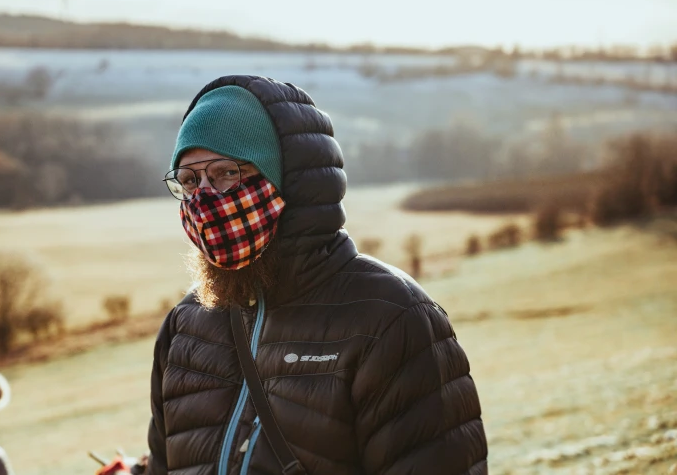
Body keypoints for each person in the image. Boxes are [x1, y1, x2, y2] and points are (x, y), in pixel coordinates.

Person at [145, 75, 488, 474]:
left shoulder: (390, 318)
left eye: (225, 173)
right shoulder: (185, 326)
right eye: (189, 180)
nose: (204, 198)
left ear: (288, 180)